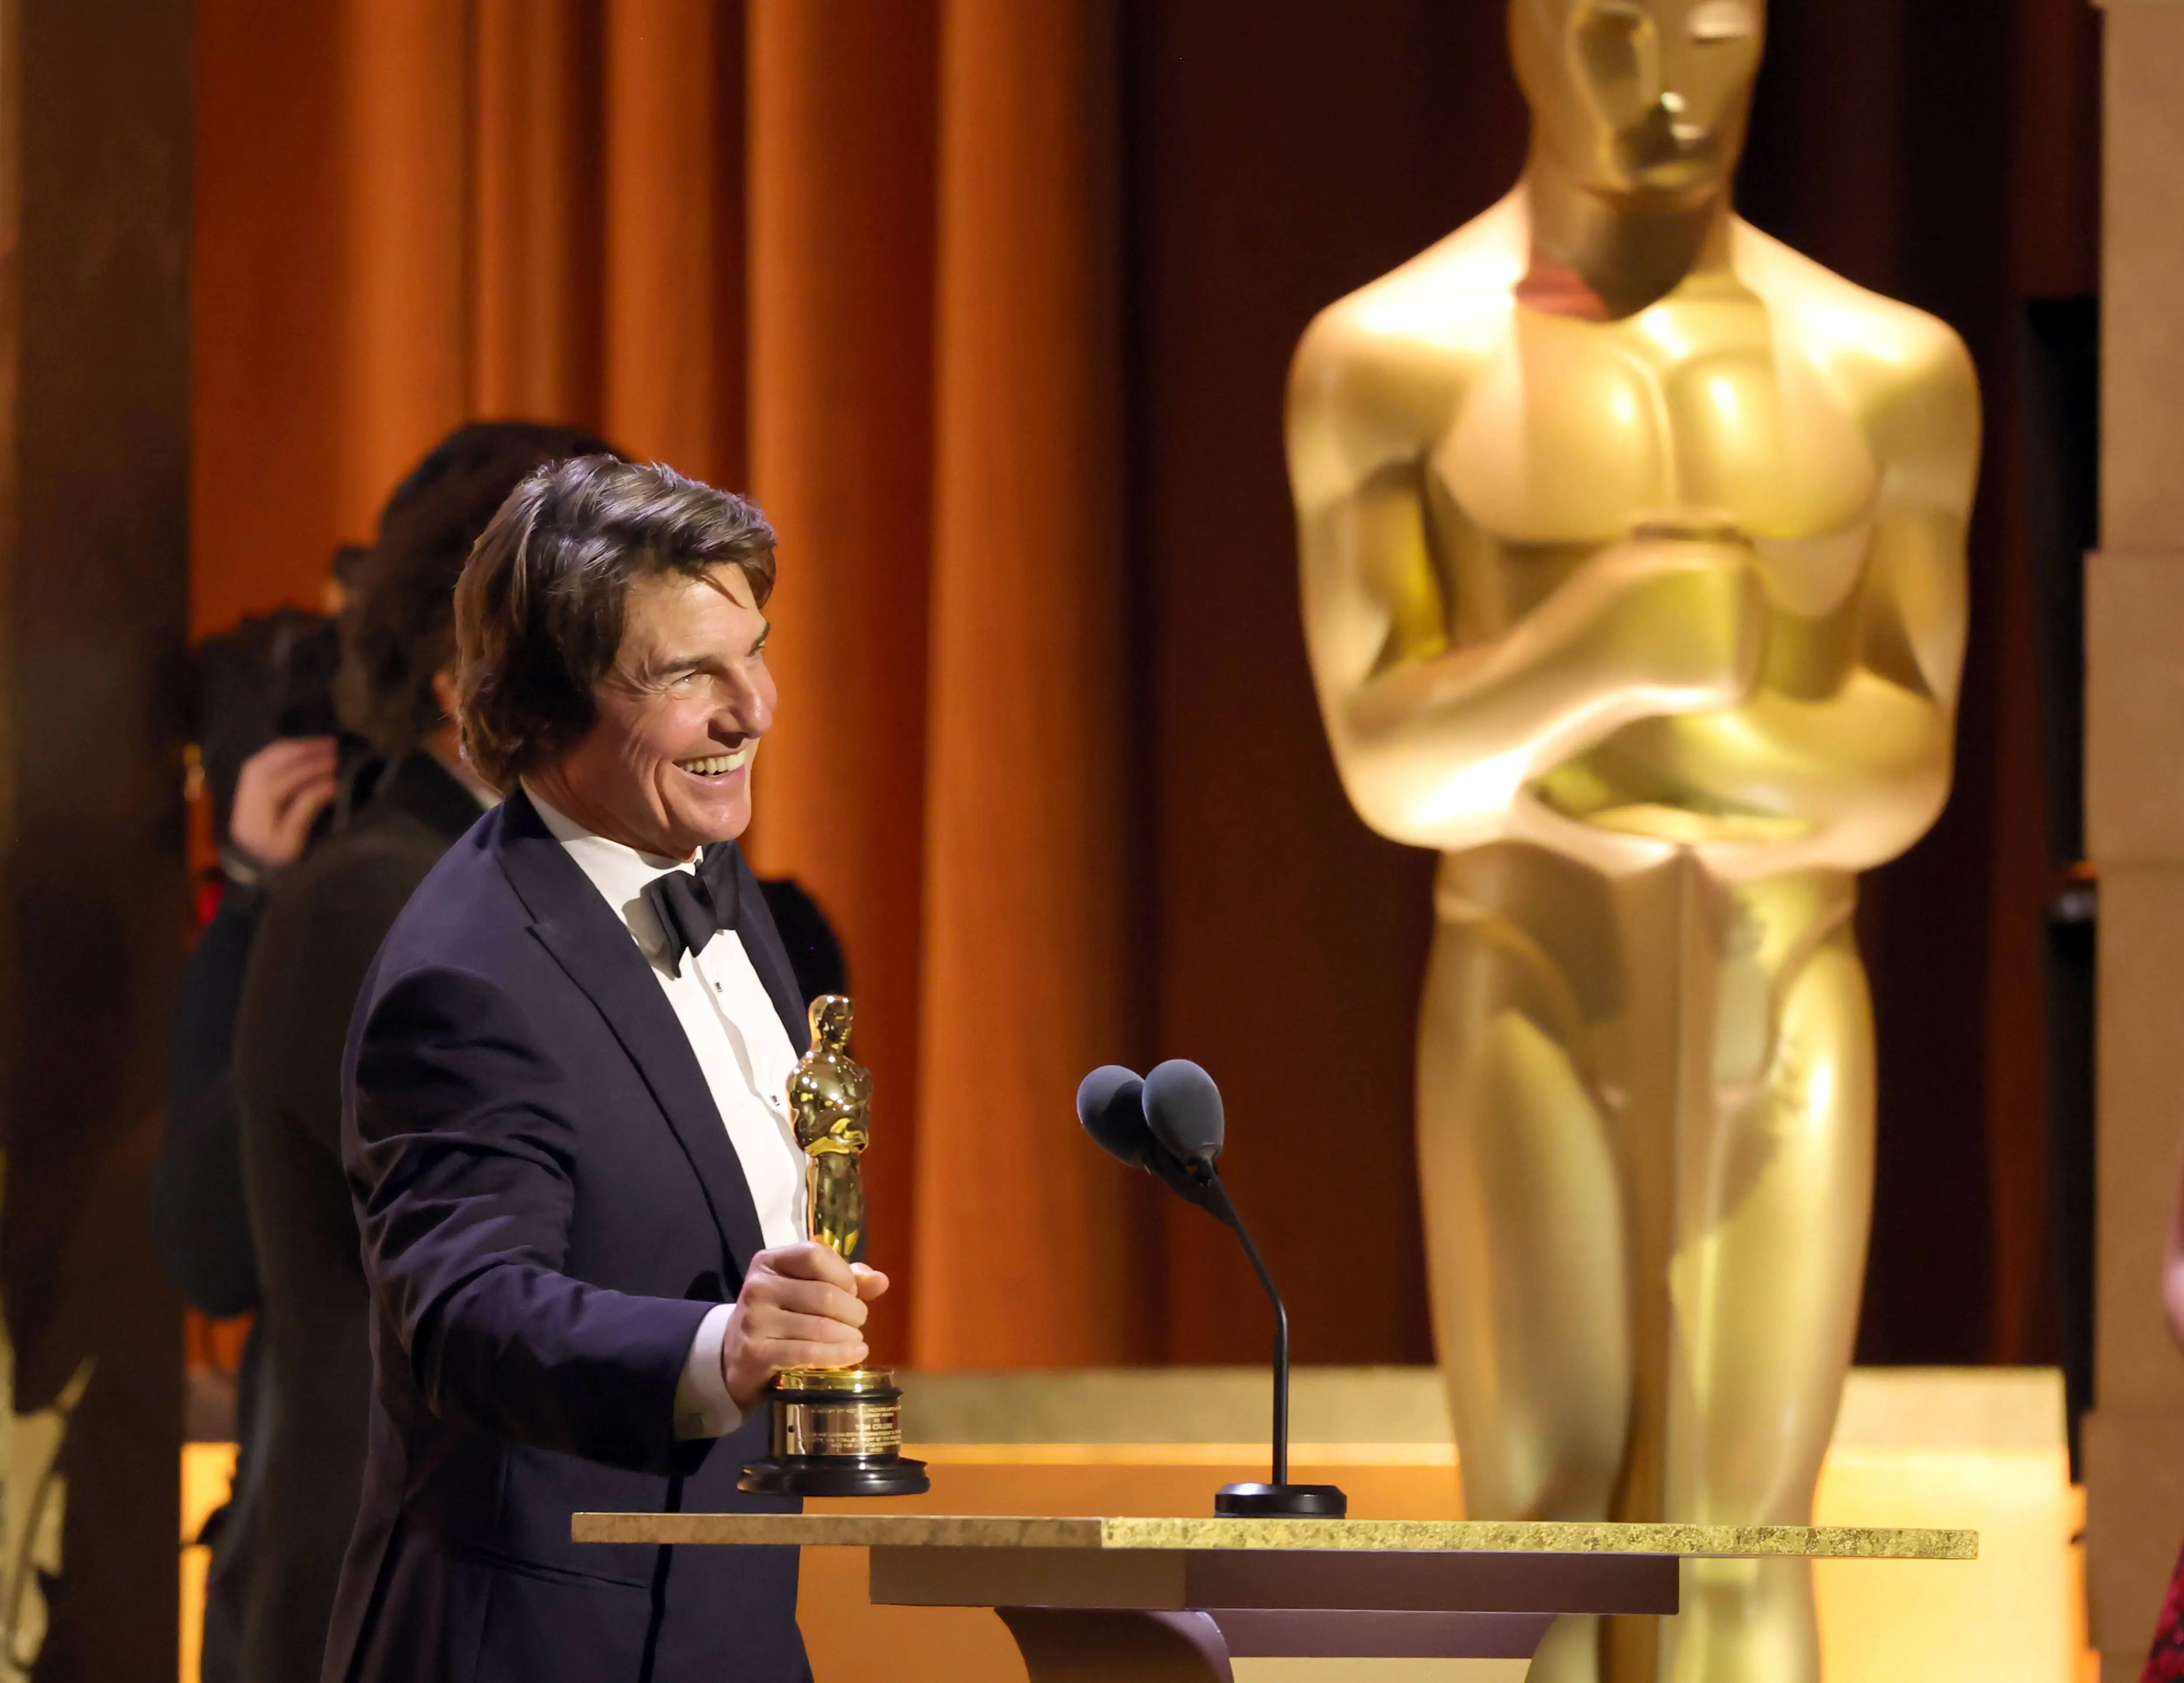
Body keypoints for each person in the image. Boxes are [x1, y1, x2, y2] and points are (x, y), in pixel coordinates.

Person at [326, 456, 866, 1683]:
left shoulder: (707, 869)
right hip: (539, 1642)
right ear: (553, 700)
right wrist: (717, 1350)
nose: (756, 708)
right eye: (691, 674)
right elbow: (461, 1314)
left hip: (730, 1625)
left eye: (755, 651)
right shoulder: (467, 977)